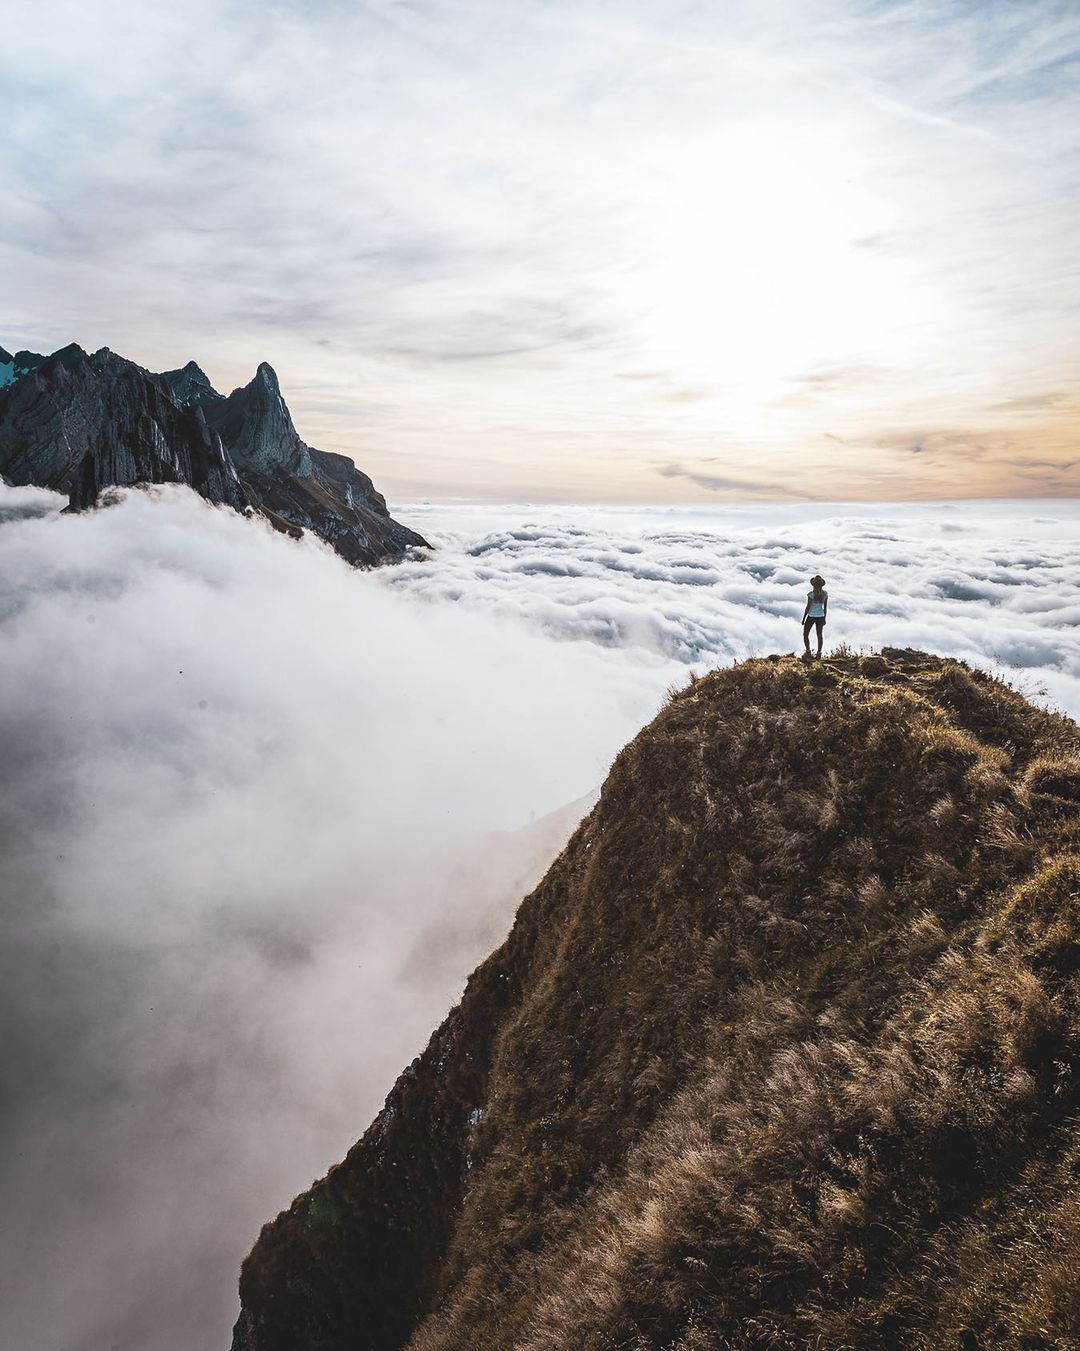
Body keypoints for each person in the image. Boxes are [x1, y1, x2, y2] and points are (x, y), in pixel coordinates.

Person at [801, 574, 828, 659]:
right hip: (820, 616)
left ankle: (808, 652)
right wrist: (824, 618)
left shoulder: (811, 595)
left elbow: (808, 607)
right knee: (819, 635)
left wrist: (804, 618)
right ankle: (819, 653)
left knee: (805, 634)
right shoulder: (825, 594)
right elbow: (825, 607)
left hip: (811, 616)